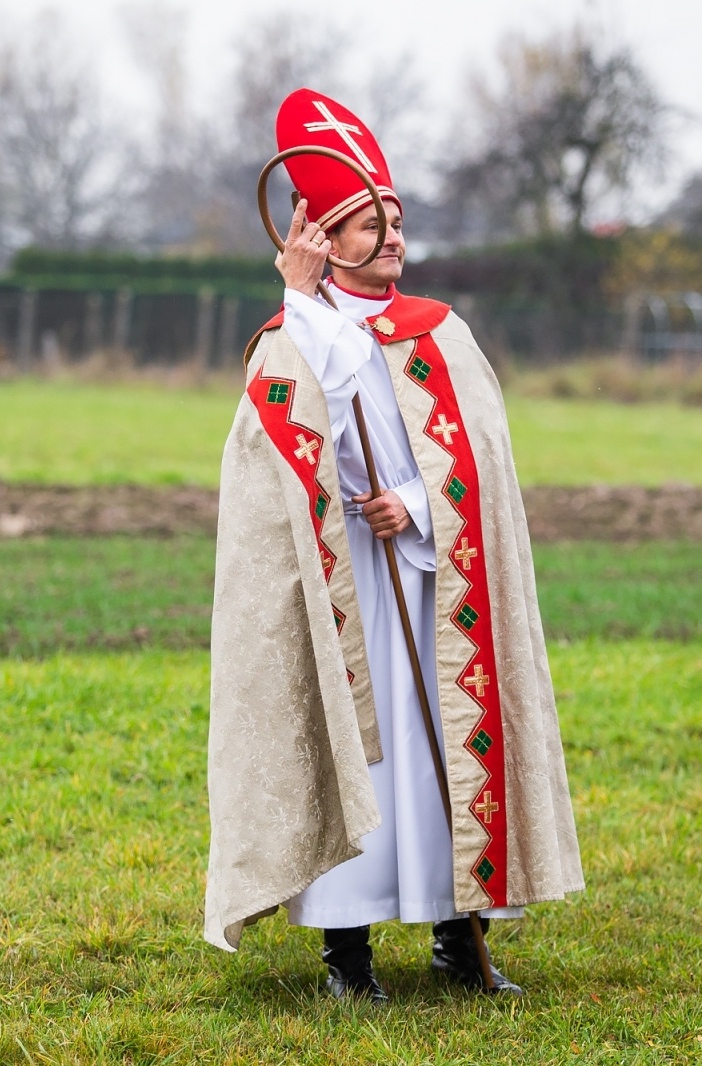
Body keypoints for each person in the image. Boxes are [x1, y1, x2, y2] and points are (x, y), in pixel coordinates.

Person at [203, 88, 583, 1001]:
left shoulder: (441, 333)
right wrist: (298, 303)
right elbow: (281, 445)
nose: (393, 239)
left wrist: (413, 503)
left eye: (393, 221)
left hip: (434, 586)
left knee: (445, 753)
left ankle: (460, 939)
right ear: (324, 241)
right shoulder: (293, 335)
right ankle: (348, 955)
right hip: (349, 595)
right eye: (369, 225)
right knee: (365, 756)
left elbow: (479, 468)